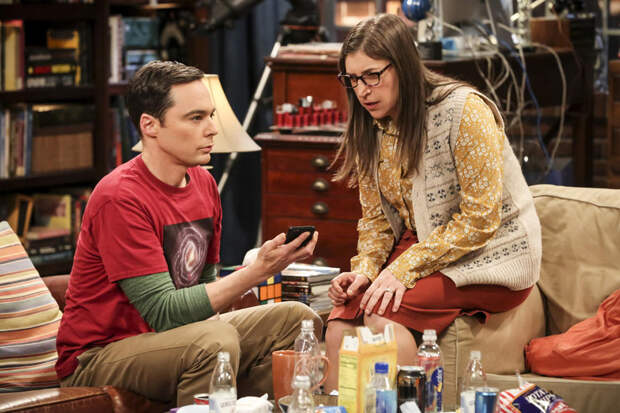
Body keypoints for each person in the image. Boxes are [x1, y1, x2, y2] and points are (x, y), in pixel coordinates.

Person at [55, 60, 322, 406]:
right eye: (196, 118)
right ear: (150, 125)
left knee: (297, 320)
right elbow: (164, 312)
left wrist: (262, 268)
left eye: (210, 116)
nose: (211, 129)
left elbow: (205, 289)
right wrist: (258, 272)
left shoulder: (204, 183)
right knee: (214, 341)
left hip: (179, 338)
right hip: (99, 355)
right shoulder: (119, 197)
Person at [324, 14, 541, 391]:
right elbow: (376, 221)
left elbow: (480, 220)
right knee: (342, 316)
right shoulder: (371, 124)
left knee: (382, 313)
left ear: (403, 66)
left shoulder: (463, 110)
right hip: (424, 244)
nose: (362, 90)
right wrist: (365, 271)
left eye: (372, 75)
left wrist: (404, 268)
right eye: (353, 79)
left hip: (491, 251)